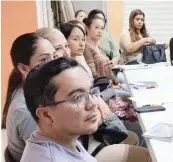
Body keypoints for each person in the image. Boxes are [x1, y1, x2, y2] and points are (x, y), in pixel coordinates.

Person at [21, 57, 151, 162]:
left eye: (90, 92)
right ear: (46, 115)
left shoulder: (64, 138)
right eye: (78, 97)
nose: (93, 103)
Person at [2, 33, 56, 162]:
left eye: (54, 57)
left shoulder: (35, 91)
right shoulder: (27, 112)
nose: (54, 65)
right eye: (44, 60)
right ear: (23, 68)